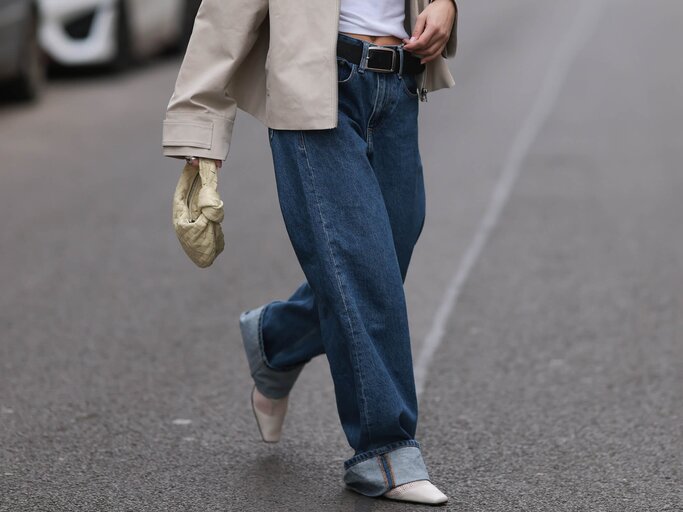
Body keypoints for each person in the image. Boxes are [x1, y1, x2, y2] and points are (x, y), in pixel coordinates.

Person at [162, 0, 458, 505]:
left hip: (398, 86)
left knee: (385, 256)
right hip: (319, 90)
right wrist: (199, 126)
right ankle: (383, 450)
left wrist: (445, 4)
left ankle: (276, 339)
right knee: (363, 268)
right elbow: (225, 15)